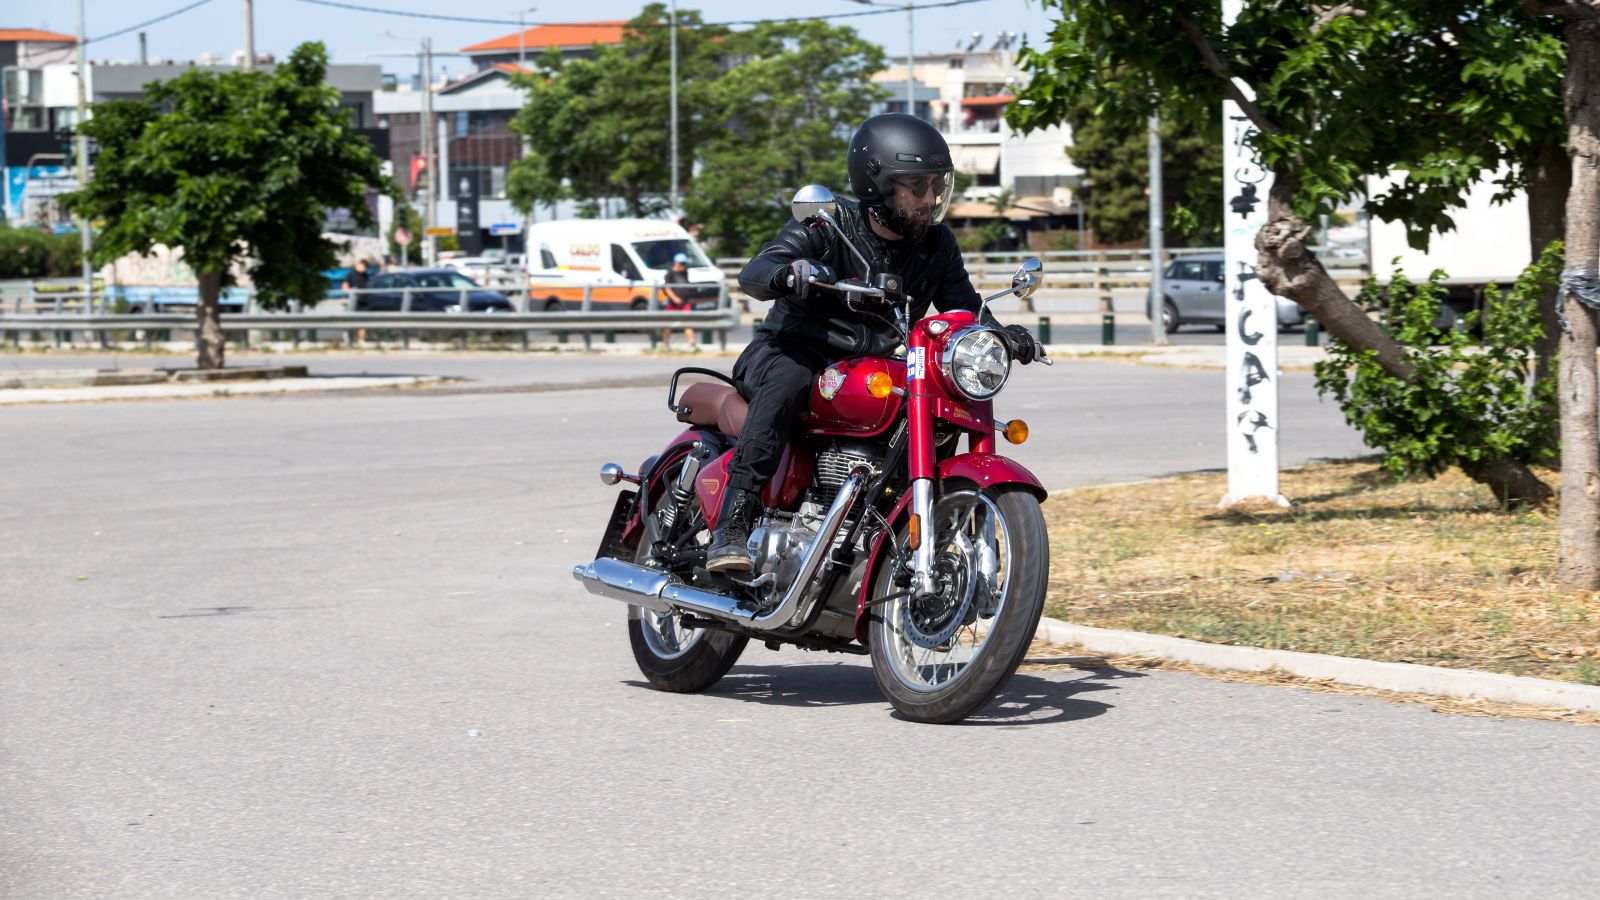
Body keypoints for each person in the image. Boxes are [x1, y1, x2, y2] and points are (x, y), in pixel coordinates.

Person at [706, 113, 1045, 574]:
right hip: (794, 349)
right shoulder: (831, 225)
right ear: (877, 185)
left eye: (936, 187)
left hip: (877, 366)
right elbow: (758, 269)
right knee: (790, 380)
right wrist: (791, 272)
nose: (930, 199)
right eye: (917, 187)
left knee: (937, 402)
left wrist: (1002, 335)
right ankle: (735, 520)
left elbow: (963, 308)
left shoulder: (936, 243)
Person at [661, 252, 696, 351]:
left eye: (685, 264)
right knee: (668, 325)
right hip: (673, 304)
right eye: (682, 264)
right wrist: (674, 298)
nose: (684, 266)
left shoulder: (685, 272)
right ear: (676, 263)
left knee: (688, 323)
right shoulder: (670, 274)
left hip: (684, 303)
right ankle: (665, 344)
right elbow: (667, 288)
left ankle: (692, 344)